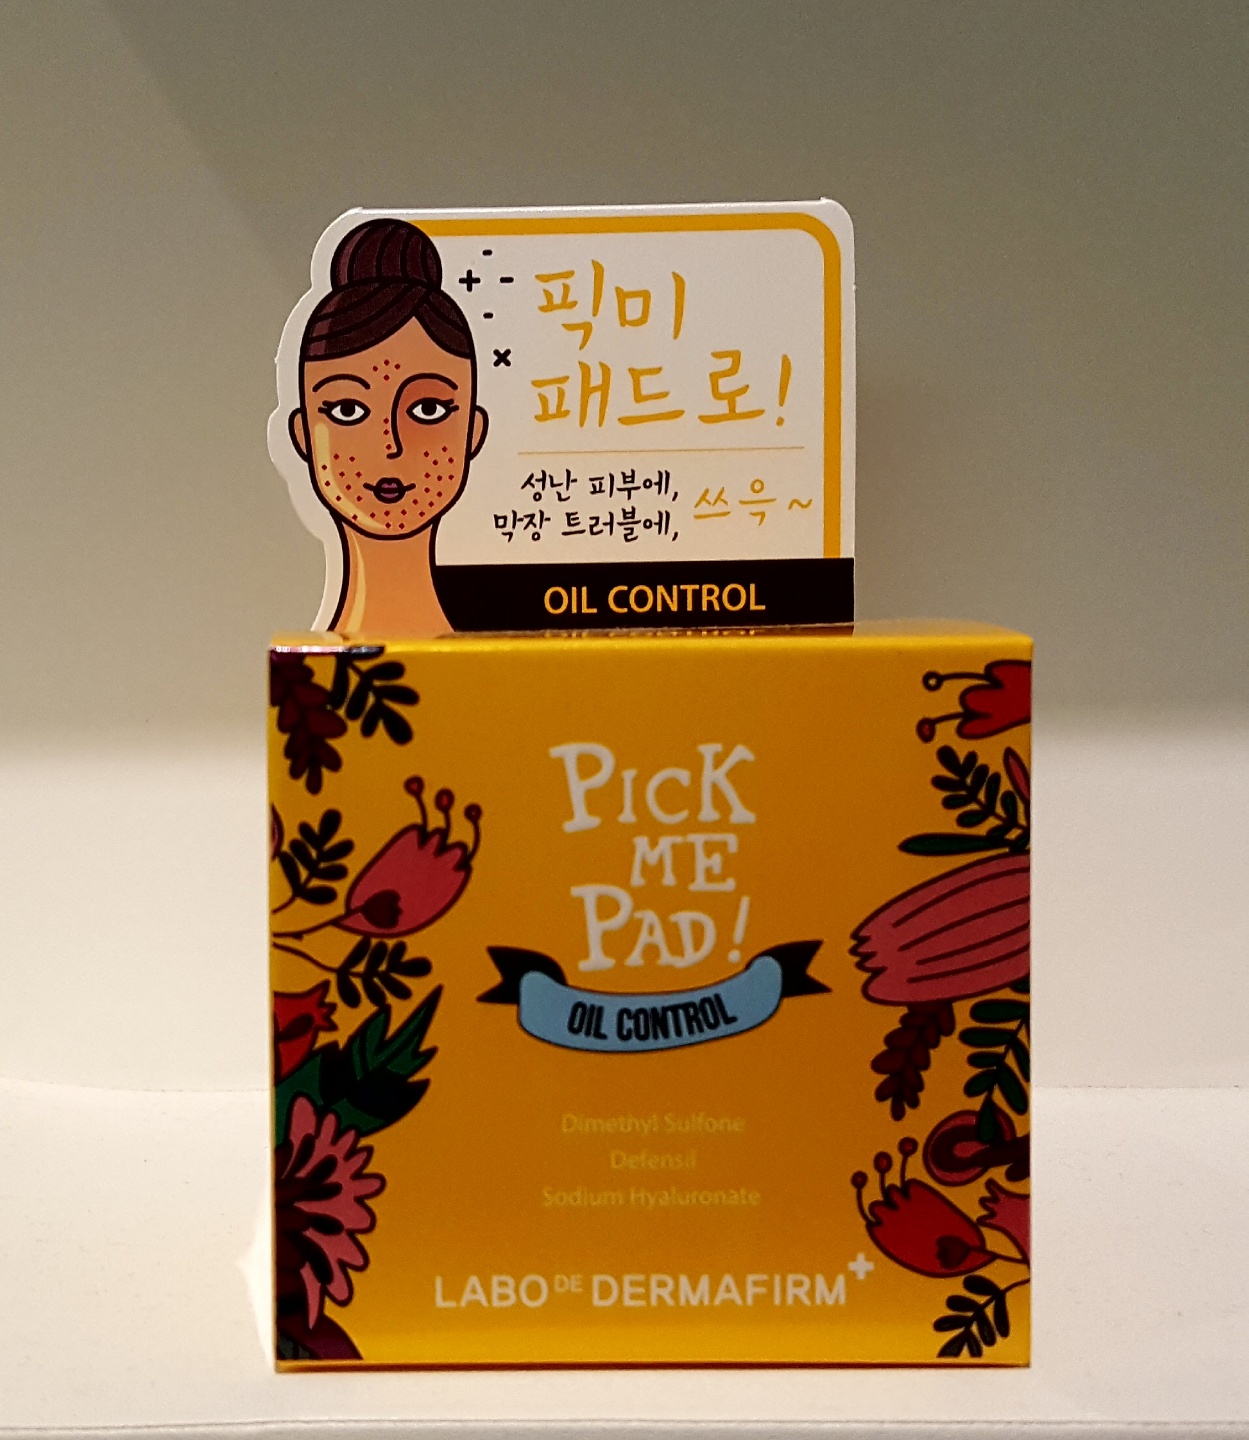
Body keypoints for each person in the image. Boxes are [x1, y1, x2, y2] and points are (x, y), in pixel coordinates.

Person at [288, 218, 488, 634]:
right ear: (304, 434)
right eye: (347, 410)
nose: (390, 443)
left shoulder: (500, 662)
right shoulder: (313, 670)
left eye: (428, 409)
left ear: (473, 431)